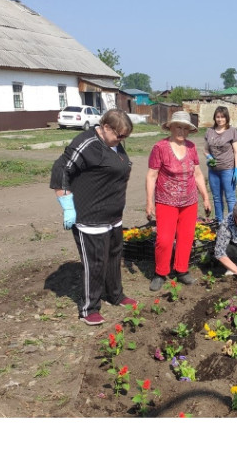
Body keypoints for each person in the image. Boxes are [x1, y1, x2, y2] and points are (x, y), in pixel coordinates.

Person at [50, 109, 137, 326]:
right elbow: (60, 169)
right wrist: (67, 205)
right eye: (120, 136)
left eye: (125, 137)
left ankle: (115, 294)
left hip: (113, 216)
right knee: (95, 262)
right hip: (91, 216)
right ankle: (89, 307)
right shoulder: (87, 143)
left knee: (114, 257)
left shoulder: (113, 143)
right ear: (106, 128)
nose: (122, 140)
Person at [146, 111, 212, 291]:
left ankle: (182, 270)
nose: (182, 131)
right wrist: (149, 202)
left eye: (185, 128)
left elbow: (197, 174)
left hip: (189, 201)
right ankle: (160, 273)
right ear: (171, 127)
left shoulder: (191, 148)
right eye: (178, 127)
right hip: (166, 200)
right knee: (165, 239)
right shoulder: (160, 147)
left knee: (186, 237)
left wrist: (205, 197)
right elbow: (152, 176)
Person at [204, 105, 237, 222]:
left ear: (227, 118)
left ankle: (232, 223)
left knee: (230, 198)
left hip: (227, 169)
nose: (220, 119)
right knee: (217, 198)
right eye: (218, 117)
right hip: (213, 171)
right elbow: (205, 150)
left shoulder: (232, 132)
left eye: (222, 117)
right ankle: (220, 222)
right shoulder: (209, 131)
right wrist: (209, 157)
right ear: (215, 118)